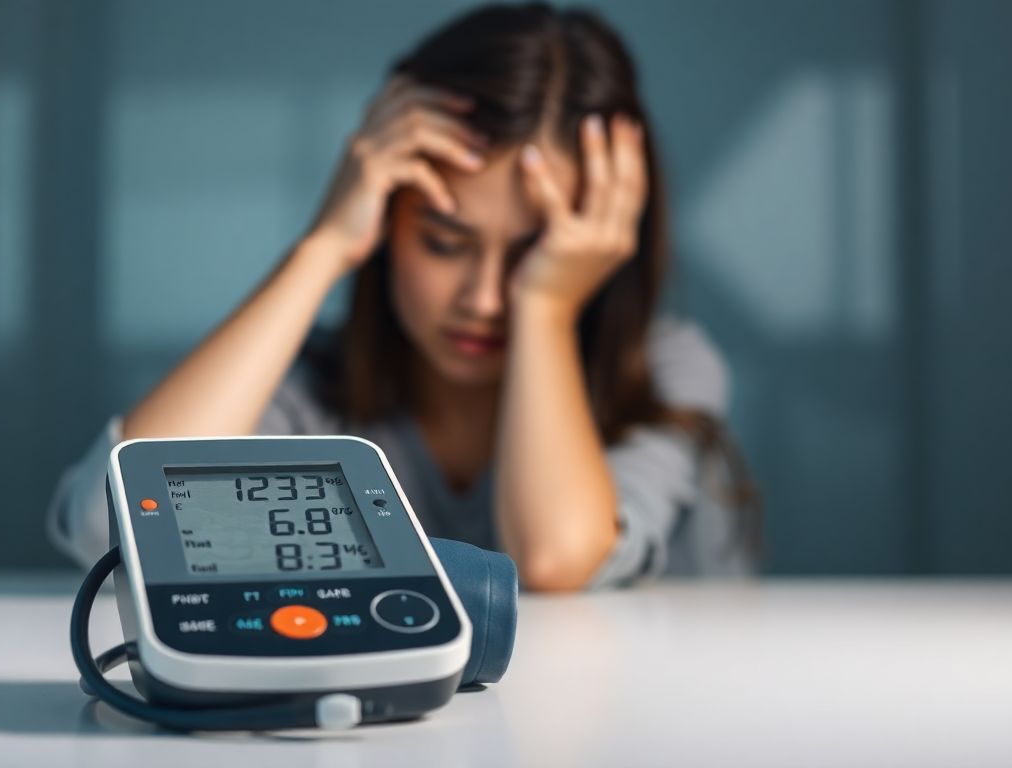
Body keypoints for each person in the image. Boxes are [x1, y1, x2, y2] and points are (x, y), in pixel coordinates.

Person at [47, 2, 759, 591]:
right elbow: (109, 532)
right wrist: (324, 244)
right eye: (445, 243)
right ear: (389, 223)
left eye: (536, 254)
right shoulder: (312, 396)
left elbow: (552, 560)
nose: (486, 299)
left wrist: (548, 307)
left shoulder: (668, 372)